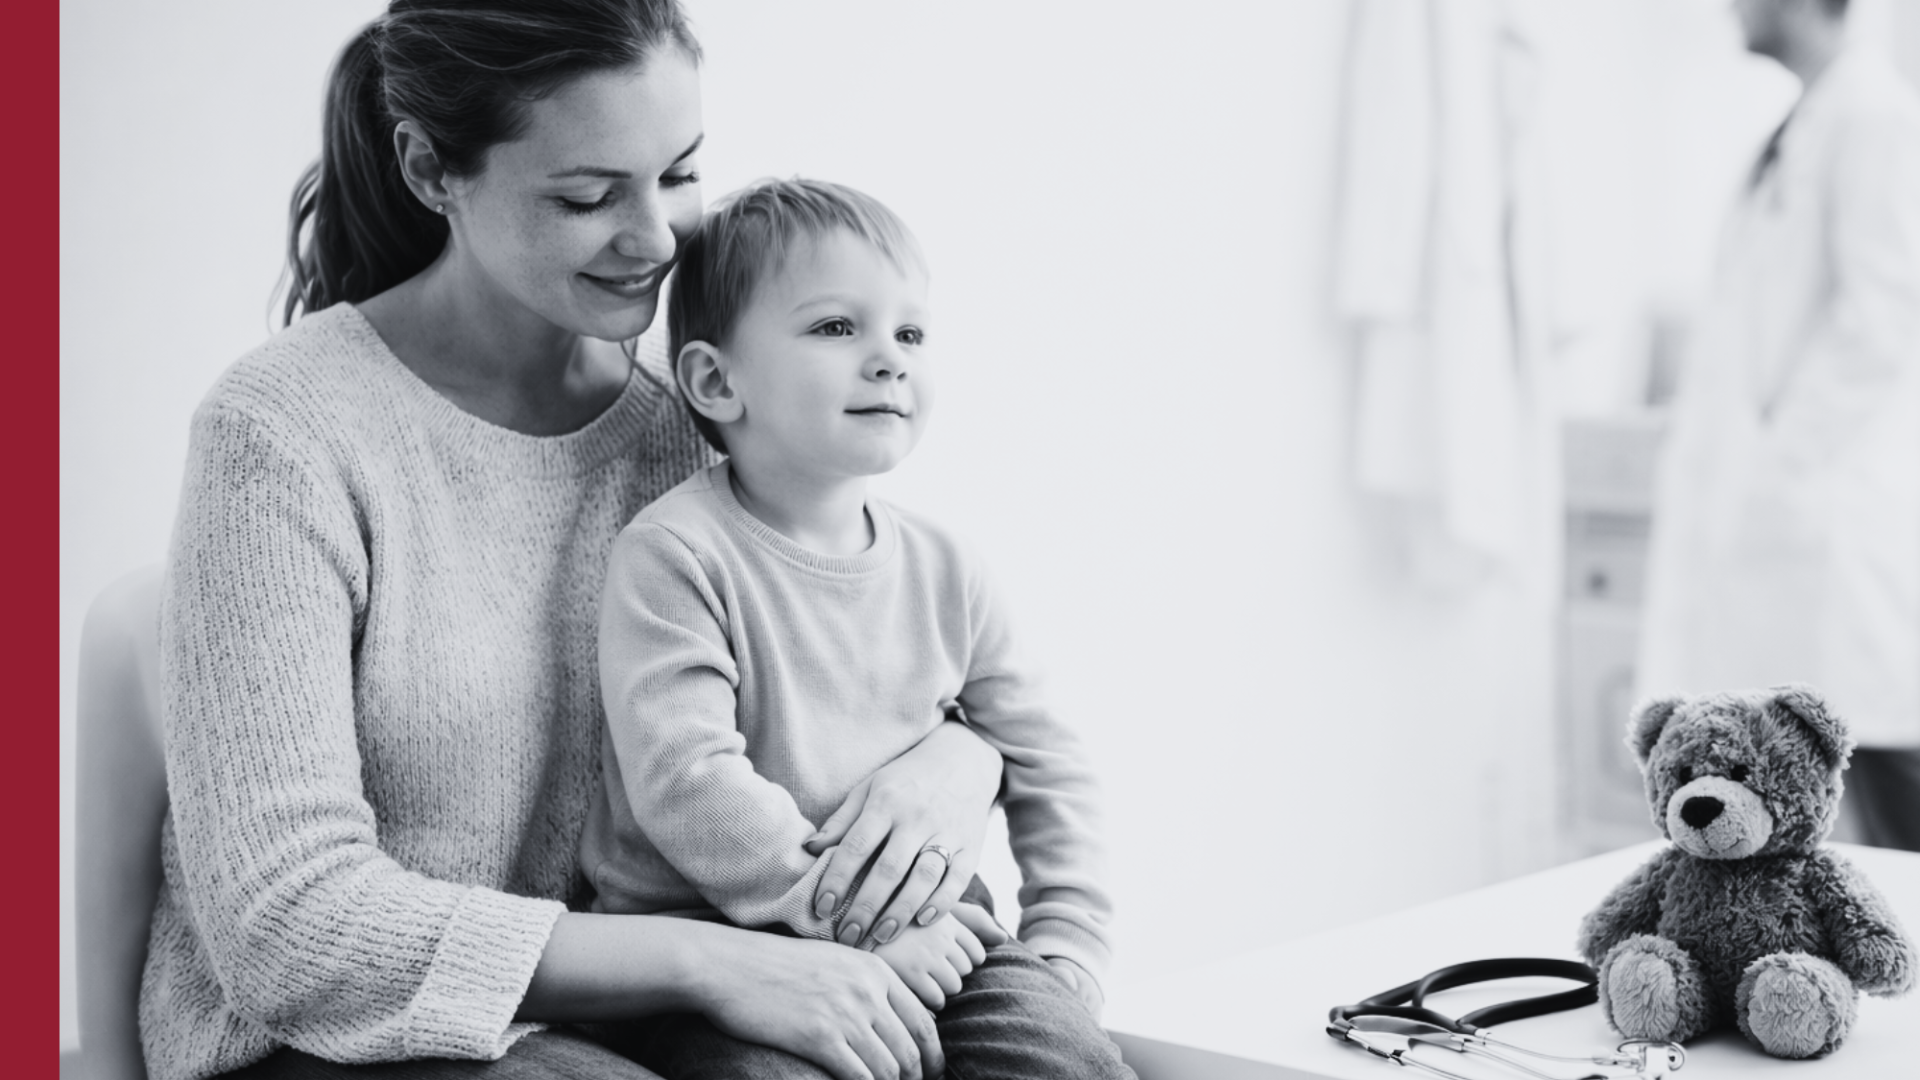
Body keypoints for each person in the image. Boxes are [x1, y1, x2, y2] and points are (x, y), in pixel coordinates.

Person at [147, 5, 1013, 1080]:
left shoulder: (694, 420)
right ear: (429, 169)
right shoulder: (282, 433)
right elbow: (289, 925)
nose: (656, 238)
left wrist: (962, 757)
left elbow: (856, 656)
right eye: (588, 196)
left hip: (642, 1016)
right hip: (330, 1040)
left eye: (680, 174)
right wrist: (704, 964)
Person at [580, 179, 1134, 1080]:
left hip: (934, 935)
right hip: (720, 948)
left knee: (1073, 1063)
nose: (889, 359)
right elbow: (687, 781)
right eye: (838, 328)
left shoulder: (951, 568)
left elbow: (1045, 759)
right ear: (717, 381)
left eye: (909, 333)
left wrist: (1069, 946)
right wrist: (852, 924)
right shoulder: (675, 554)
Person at [1637, 0, 1920, 850]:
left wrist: (1779, 466)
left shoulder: (1871, 117)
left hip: (1827, 524)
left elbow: (1887, 316)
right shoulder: (1807, 122)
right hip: (1787, 526)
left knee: (1885, 780)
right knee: (1832, 798)